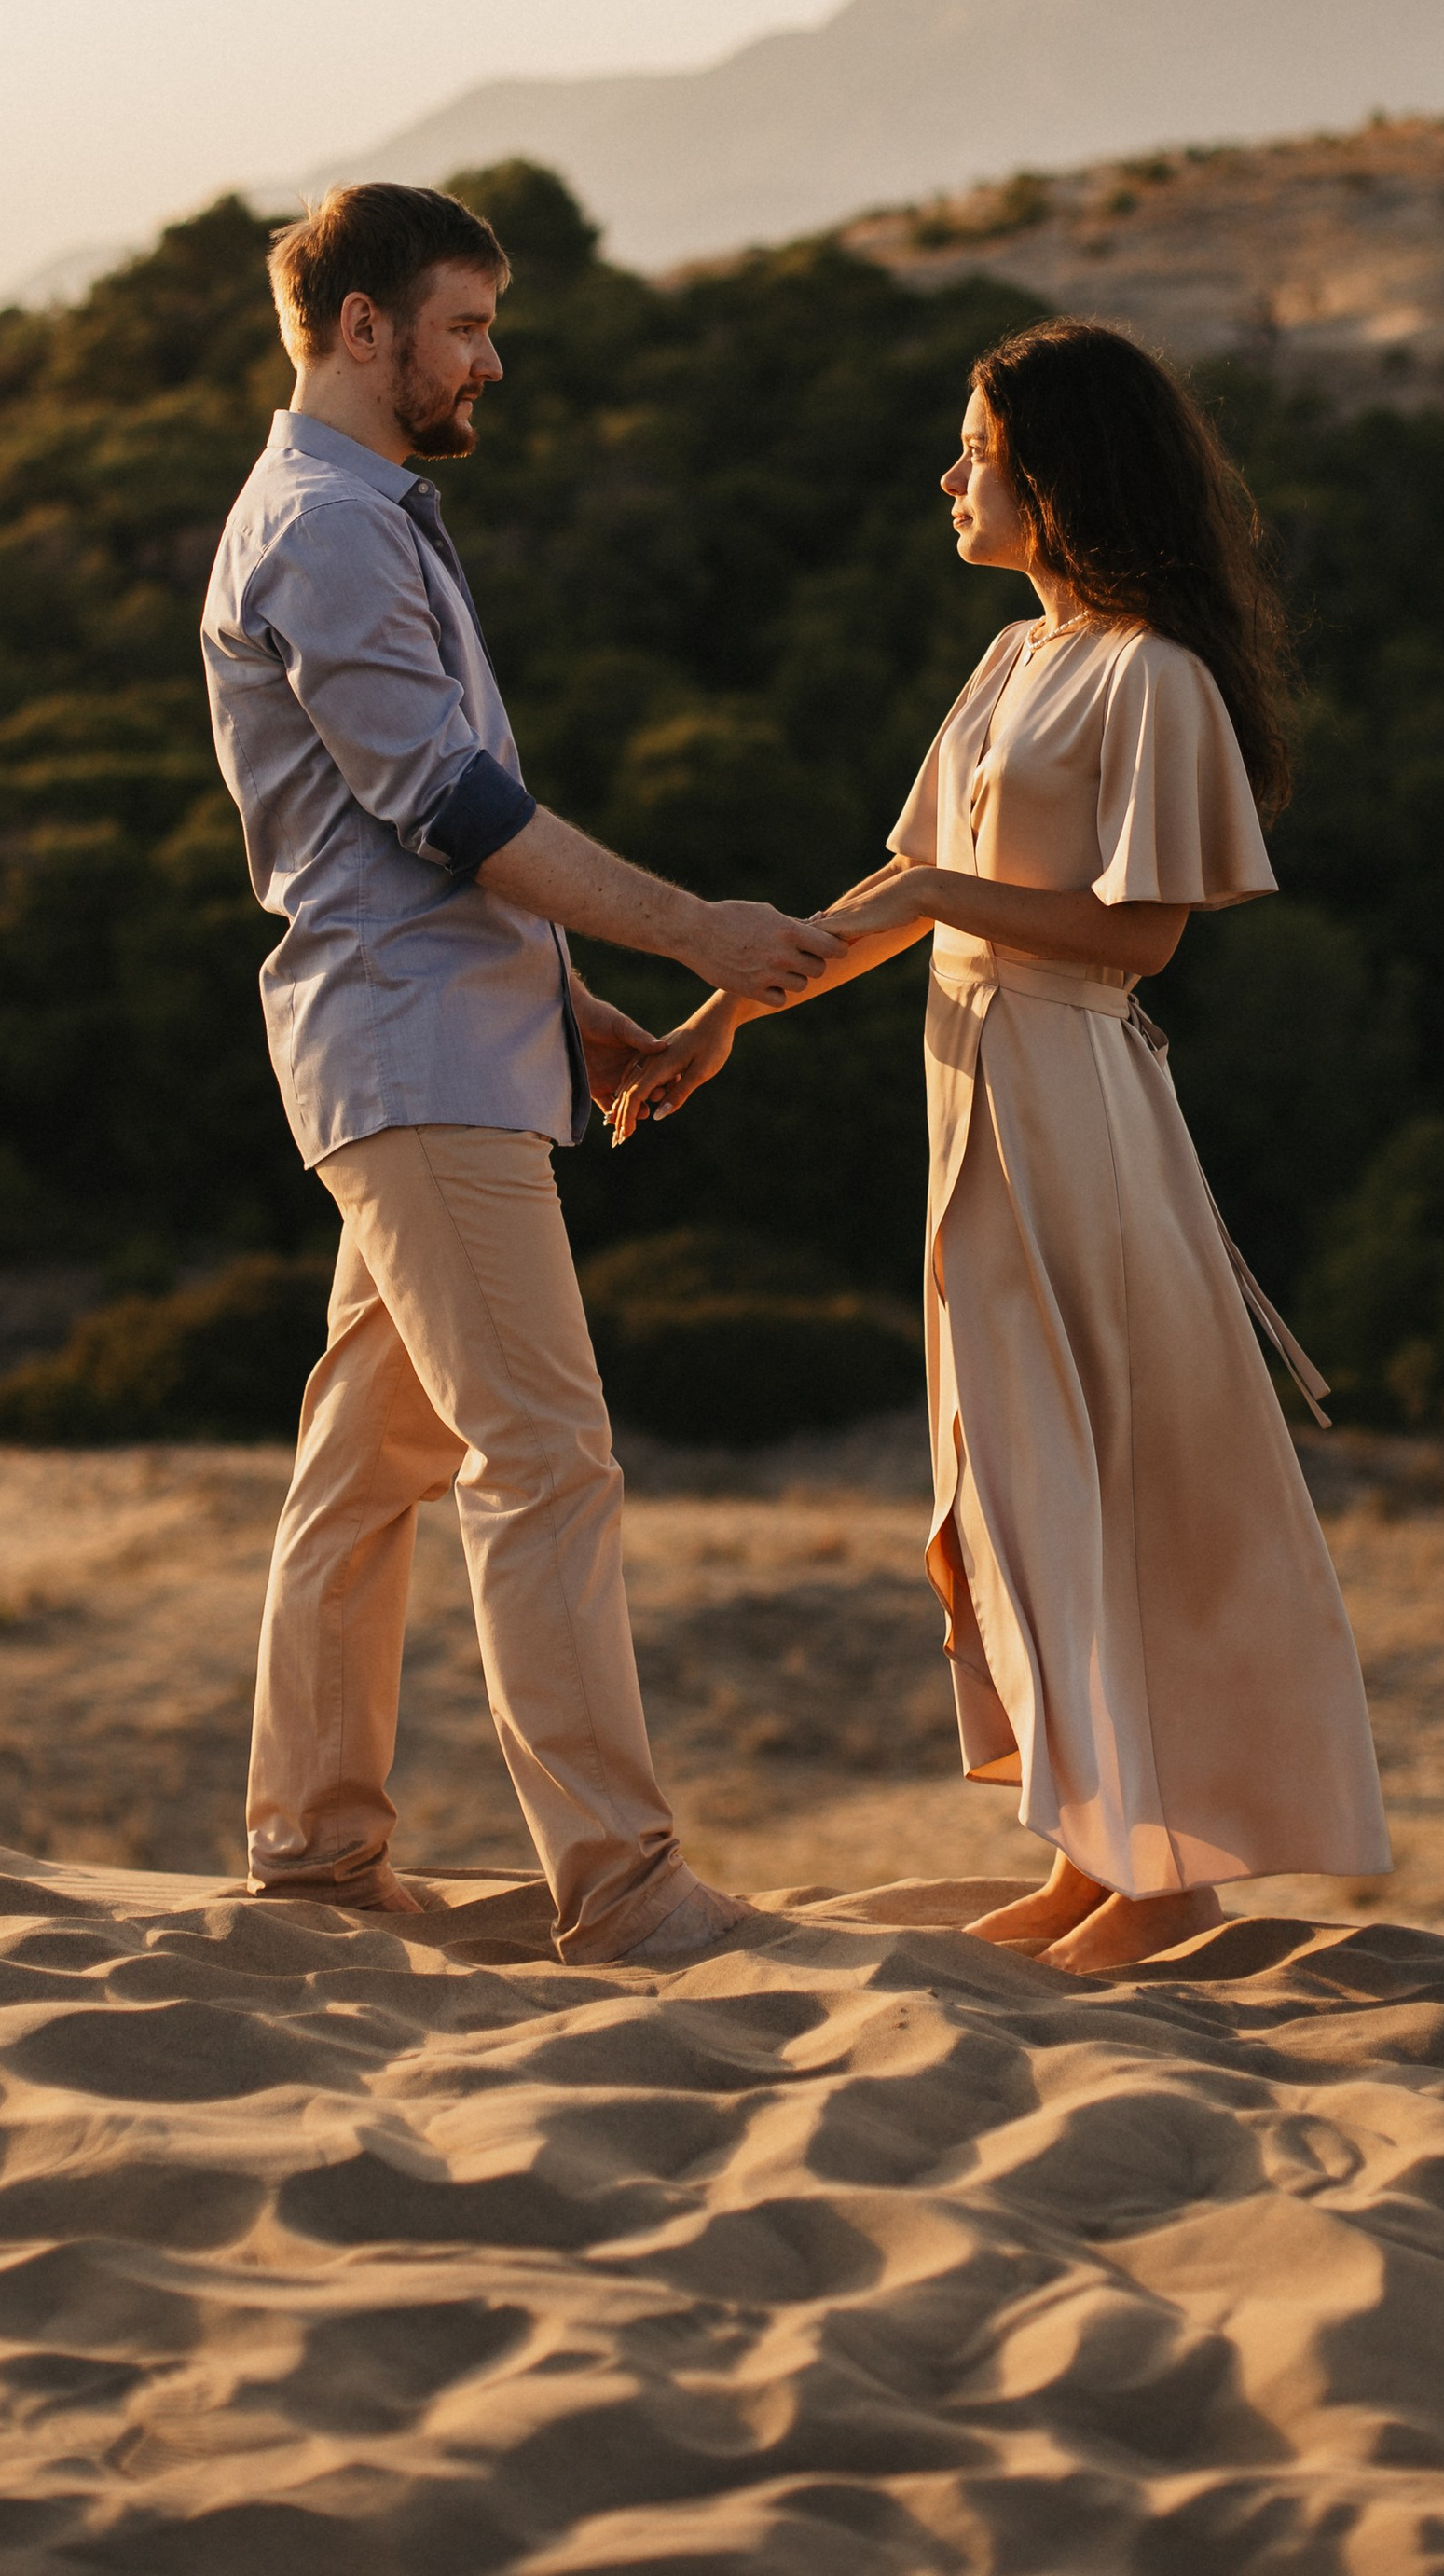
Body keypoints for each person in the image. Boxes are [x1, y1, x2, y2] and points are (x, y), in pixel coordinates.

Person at [612, 318, 1390, 1972]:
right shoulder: (1008, 660)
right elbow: (890, 902)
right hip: (973, 1087)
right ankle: (1099, 1847)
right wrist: (724, 1022)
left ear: (1056, 474)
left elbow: (1144, 933)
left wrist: (940, 898)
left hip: (1078, 1100)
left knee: (1093, 1465)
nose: (950, 474)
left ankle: (1170, 1872)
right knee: (1008, 1488)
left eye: (977, 448)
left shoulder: (1150, 673)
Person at [201, 179, 844, 1967]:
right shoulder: (325, 528)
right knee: (545, 1456)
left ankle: (315, 1858)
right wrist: (690, 933)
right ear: (360, 328)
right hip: (411, 1056)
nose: (492, 361)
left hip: (444, 1042)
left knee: (366, 1463)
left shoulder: (358, 515)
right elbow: (447, 811)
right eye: (468, 326)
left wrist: (574, 1015)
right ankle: (621, 1884)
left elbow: (408, 829)